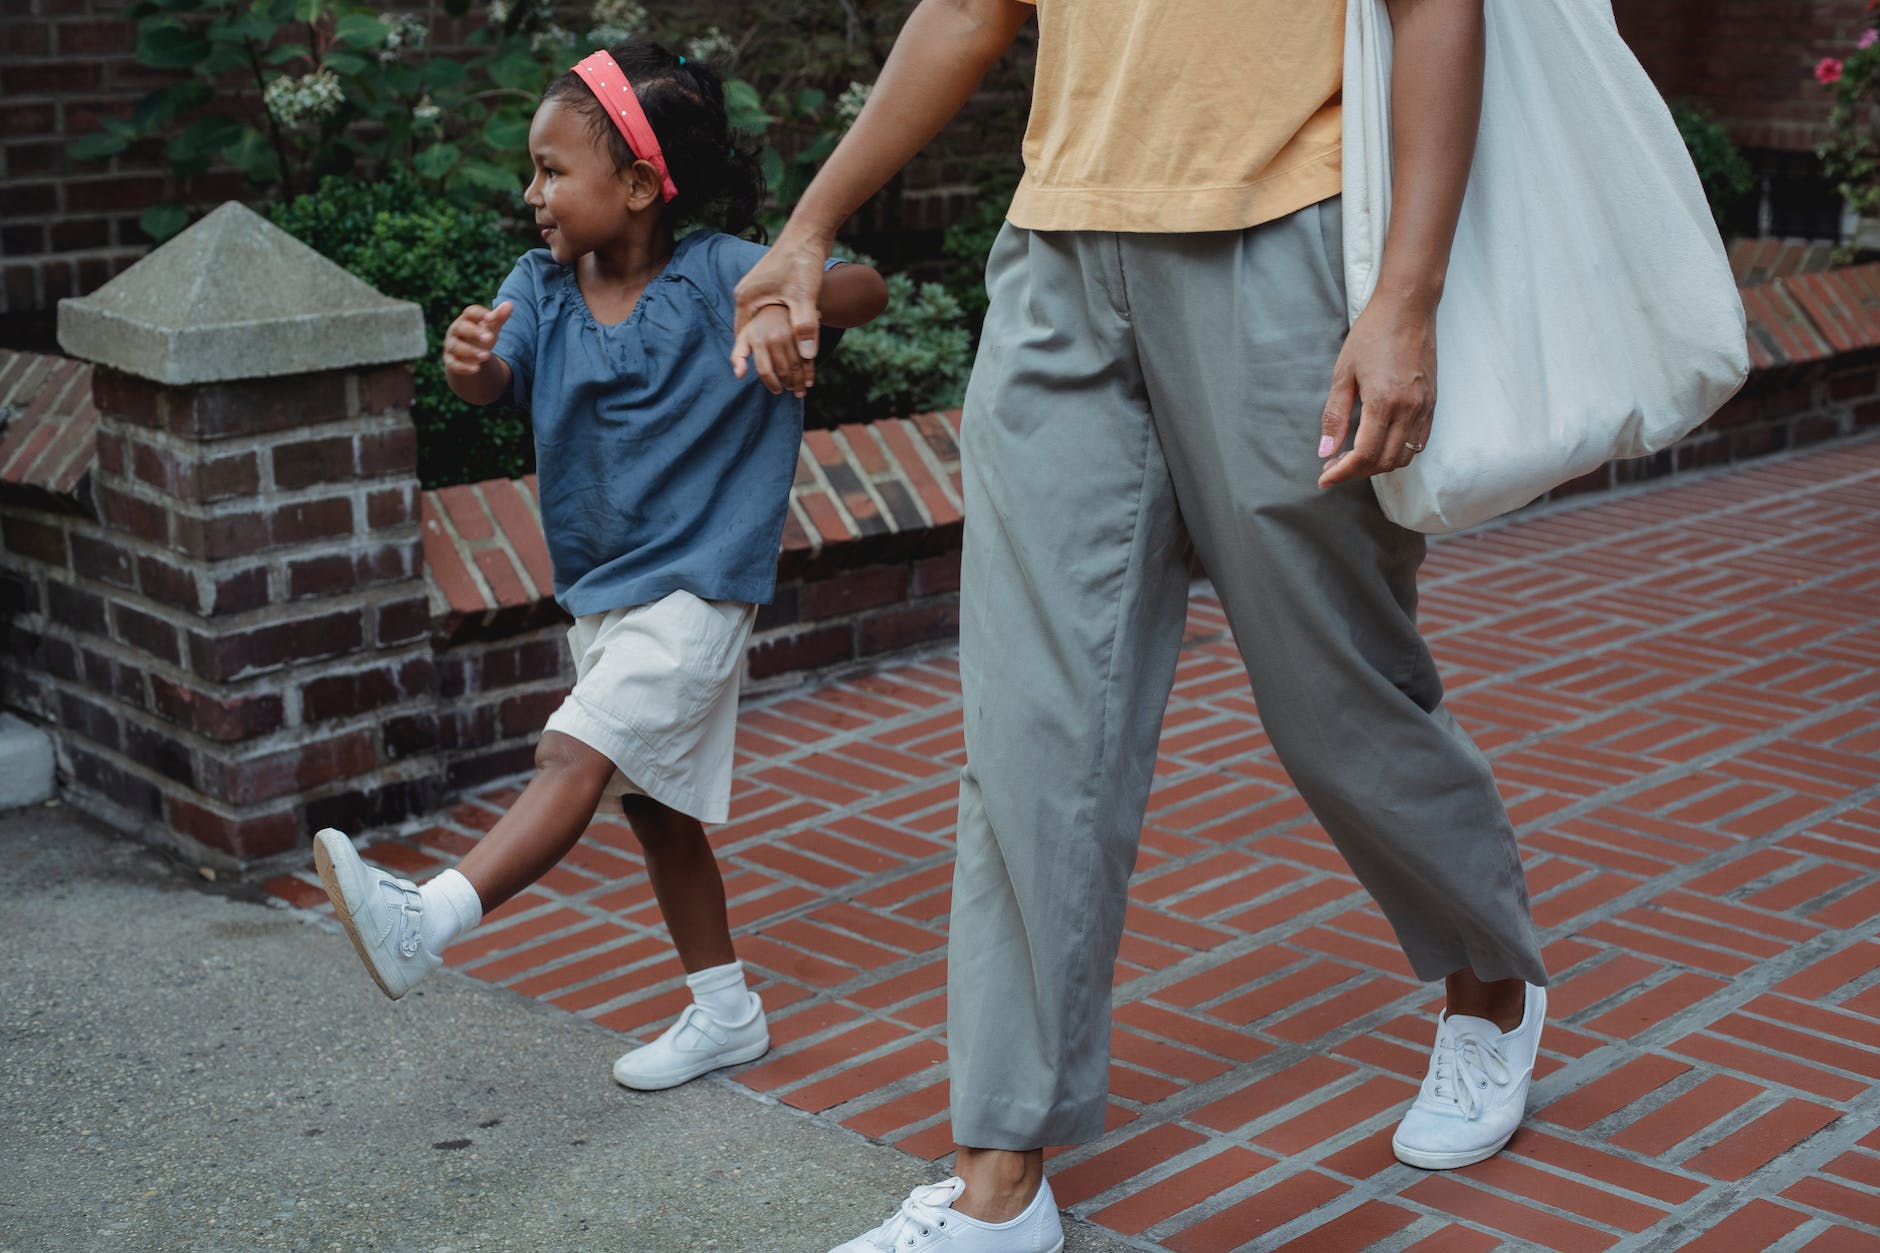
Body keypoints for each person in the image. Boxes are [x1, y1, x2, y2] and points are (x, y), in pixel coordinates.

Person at [728, 2, 1548, 1249]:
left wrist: (1403, 297)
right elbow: (966, 9)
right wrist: (808, 224)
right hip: (1058, 258)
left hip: (1286, 240)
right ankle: (998, 1175)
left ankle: (1489, 980)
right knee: (1029, 717)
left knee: (1334, 692)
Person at [312, 39, 888, 1093]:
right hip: (606, 591)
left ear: (634, 184)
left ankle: (426, 917)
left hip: (700, 586)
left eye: (552, 169)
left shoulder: (721, 270)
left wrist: (788, 297)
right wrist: (473, 369)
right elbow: (499, 391)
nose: (532, 192)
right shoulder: (537, 283)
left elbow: (865, 289)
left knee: (571, 753)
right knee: (656, 810)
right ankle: (727, 1013)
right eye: (531, 170)